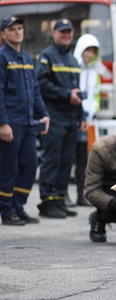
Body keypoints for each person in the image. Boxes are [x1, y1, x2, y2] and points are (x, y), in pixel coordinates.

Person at [0, 16, 50, 226]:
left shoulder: (28, 59)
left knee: (30, 165)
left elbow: (35, 91)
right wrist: (3, 123)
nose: (18, 32)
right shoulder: (3, 58)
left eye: (20, 28)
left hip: (28, 122)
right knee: (9, 168)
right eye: (12, 29)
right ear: (3, 34)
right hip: (11, 123)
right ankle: (7, 210)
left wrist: (43, 113)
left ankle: (19, 206)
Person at [36, 18, 86, 218]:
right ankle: (47, 201)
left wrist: (82, 116)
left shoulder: (73, 60)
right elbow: (41, 85)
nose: (66, 35)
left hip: (71, 119)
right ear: (53, 34)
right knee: (51, 160)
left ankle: (58, 199)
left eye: (69, 32)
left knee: (66, 162)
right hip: (54, 117)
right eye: (62, 31)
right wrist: (66, 95)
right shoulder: (46, 56)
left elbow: (78, 91)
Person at [73, 33, 111, 207]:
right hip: (76, 117)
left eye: (93, 52)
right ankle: (74, 195)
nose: (89, 55)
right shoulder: (75, 67)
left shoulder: (96, 69)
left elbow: (95, 93)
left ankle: (84, 194)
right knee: (74, 158)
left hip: (90, 119)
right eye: (87, 51)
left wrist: (92, 111)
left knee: (88, 159)